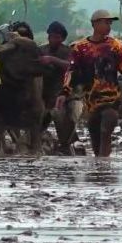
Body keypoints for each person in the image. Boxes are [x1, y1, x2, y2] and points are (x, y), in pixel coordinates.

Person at [56, 9, 122, 157]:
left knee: (106, 130)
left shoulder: (116, 46)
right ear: (95, 24)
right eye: (106, 22)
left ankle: (104, 165)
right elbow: (71, 71)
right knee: (96, 140)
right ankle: (101, 170)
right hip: (91, 102)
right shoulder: (80, 48)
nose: (109, 26)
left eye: (110, 23)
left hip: (111, 100)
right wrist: (64, 92)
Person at [39, 21, 76, 153]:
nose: (54, 39)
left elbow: (71, 67)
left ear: (62, 38)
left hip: (61, 94)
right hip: (43, 93)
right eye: (52, 36)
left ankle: (66, 145)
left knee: (61, 118)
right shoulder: (41, 50)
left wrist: (52, 60)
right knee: (38, 123)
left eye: (57, 37)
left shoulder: (68, 51)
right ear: (48, 36)